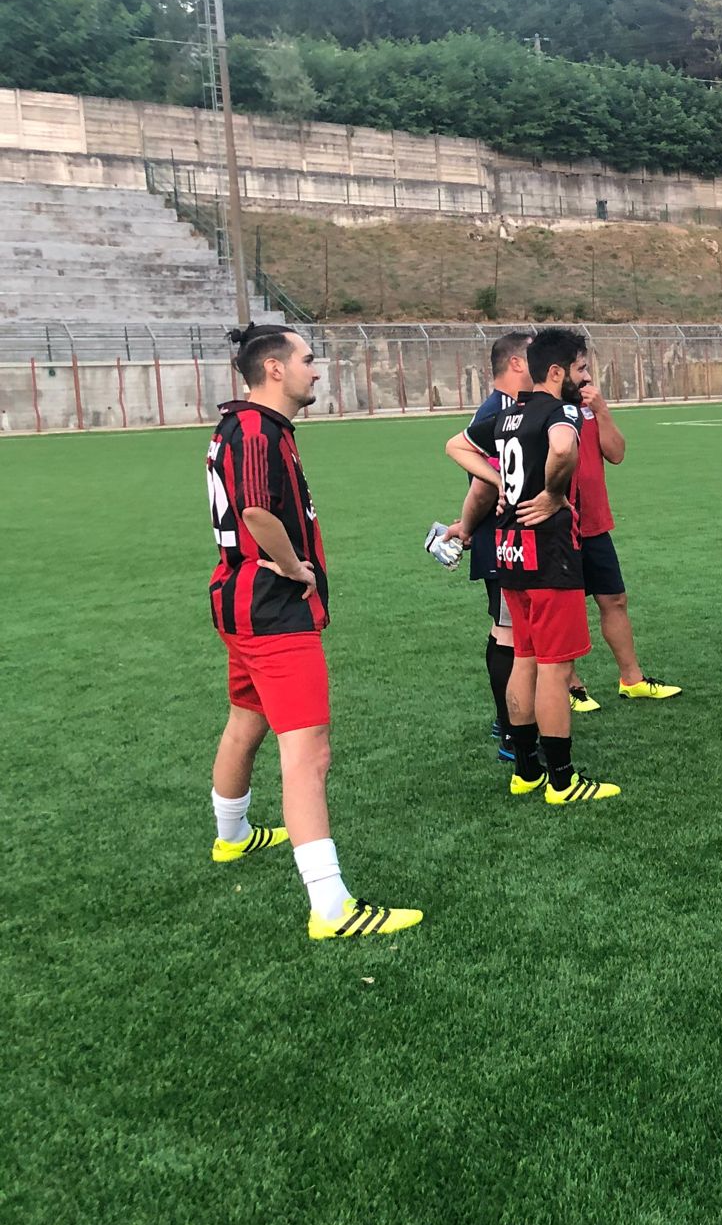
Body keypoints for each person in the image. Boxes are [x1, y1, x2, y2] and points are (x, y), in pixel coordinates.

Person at [206, 326, 422, 938]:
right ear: (275, 369)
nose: (316, 369)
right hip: (272, 611)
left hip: (244, 607)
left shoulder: (252, 426)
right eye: (307, 359)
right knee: (308, 752)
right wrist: (296, 567)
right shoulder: (254, 427)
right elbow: (255, 510)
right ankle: (330, 906)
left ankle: (231, 836)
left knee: (247, 720)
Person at [449, 327, 620, 803]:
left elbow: (455, 446)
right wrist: (553, 493)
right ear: (557, 372)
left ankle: (526, 770)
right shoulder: (560, 411)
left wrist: (501, 484)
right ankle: (562, 781)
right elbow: (563, 448)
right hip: (549, 554)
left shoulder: (507, 414)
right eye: (580, 369)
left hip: (510, 551)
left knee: (524, 658)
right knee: (554, 667)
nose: (585, 379)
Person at [436, 330, 530, 762]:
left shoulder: (505, 407)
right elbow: (482, 485)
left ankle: (506, 720)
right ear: (516, 363)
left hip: (500, 534)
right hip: (503, 537)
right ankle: (512, 731)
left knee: (505, 628)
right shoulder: (501, 411)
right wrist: (469, 525)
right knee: (509, 631)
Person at [558, 375, 679, 707]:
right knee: (565, 608)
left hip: (595, 524)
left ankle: (632, 679)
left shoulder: (588, 409)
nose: (586, 377)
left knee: (615, 600)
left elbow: (616, 454)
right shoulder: (546, 410)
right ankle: (569, 685)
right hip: (559, 527)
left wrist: (602, 411)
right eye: (579, 369)